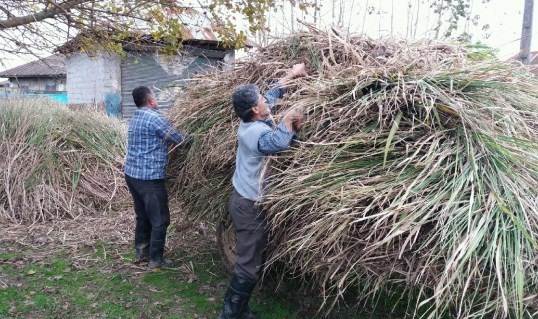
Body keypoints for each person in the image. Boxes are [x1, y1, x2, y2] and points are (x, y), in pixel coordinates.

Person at [218, 63, 307, 319]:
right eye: (260, 100)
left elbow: (272, 94)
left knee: (251, 258)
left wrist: (291, 74)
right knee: (247, 264)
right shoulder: (254, 134)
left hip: (247, 201)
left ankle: (240, 310)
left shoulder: (254, 117)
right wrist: (289, 119)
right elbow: (277, 143)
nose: (264, 100)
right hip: (248, 206)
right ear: (256, 110)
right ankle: (230, 314)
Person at [124, 86, 186, 269]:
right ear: (150, 101)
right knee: (160, 219)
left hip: (132, 175)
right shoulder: (155, 117)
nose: (157, 100)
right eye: (155, 97)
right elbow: (179, 138)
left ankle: (142, 252)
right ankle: (156, 260)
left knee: (143, 216)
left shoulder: (136, 116)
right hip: (149, 178)